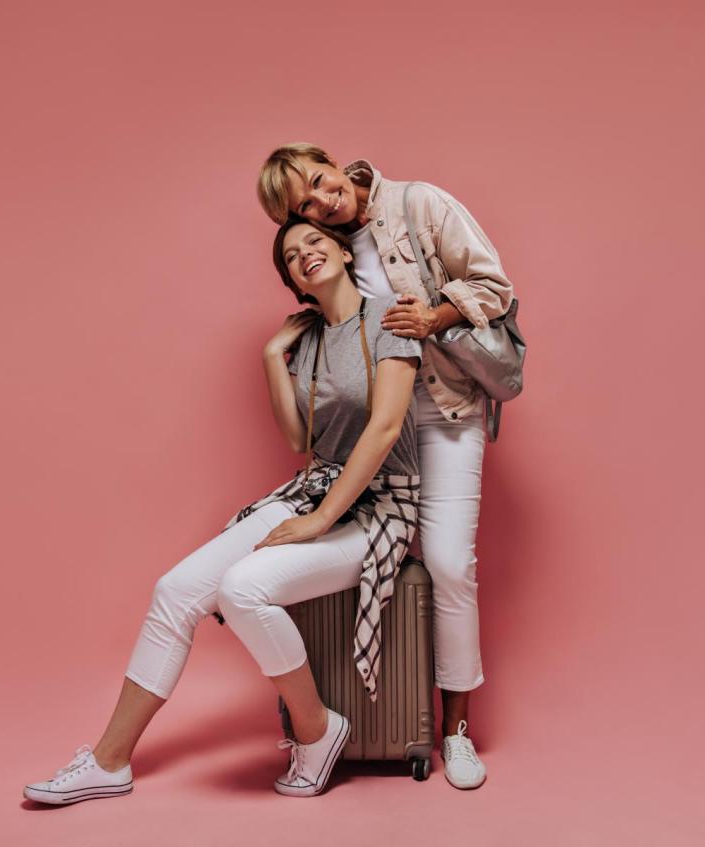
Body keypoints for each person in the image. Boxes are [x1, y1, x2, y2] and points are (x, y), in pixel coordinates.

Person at [23, 219, 422, 805]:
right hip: (313, 491)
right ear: (292, 281)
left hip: (378, 509)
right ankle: (109, 762)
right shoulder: (308, 343)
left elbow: (385, 427)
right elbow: (296, 437)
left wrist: (316, 521)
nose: (306, 254)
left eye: (315, 242)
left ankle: (317, 731)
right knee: (174, 591)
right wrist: (271, 354)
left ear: (342, 248)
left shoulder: (389, 317)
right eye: (291, 255)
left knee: (241, 590)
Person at [257, 143, 516, 790]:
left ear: (334, 161)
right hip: (373, 428)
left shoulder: (419, 202)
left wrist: (433, 316)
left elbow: (496, 285)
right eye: (303, 207)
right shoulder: (327, 244)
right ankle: (368, 719)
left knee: (451, 562)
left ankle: (455, 728)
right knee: (365, 556)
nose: (321, 202)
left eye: (319, 181)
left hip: (447, 408)